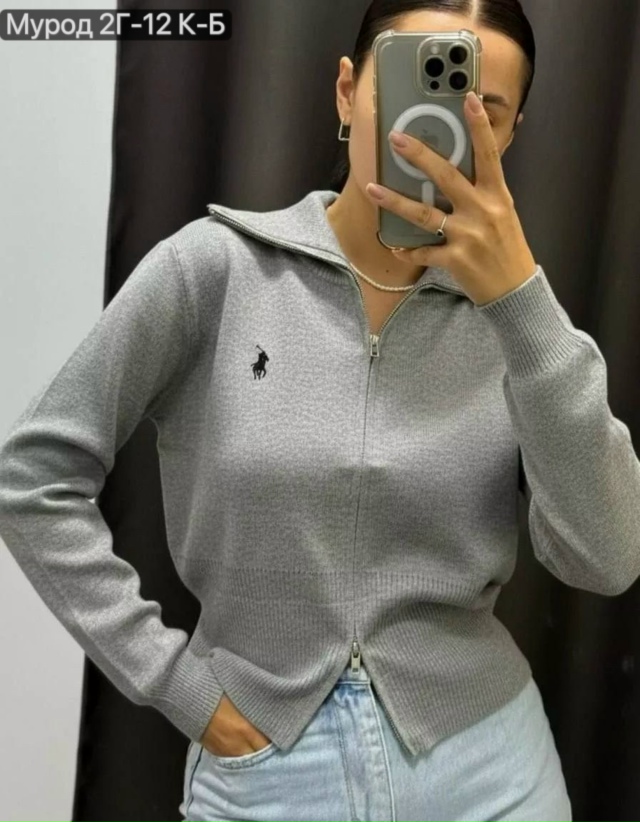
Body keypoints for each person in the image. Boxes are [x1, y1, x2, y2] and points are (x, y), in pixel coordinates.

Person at [3, 0, 640, 820]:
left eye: (484, 109)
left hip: (490, 766)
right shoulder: (216, 272)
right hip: (268, 768)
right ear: (347, 92)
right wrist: (178, 687)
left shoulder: (519, 324)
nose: (441, 129)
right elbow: (33, 479)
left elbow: (608, 557)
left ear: (511, 134)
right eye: (420, 89)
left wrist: (519, 302)